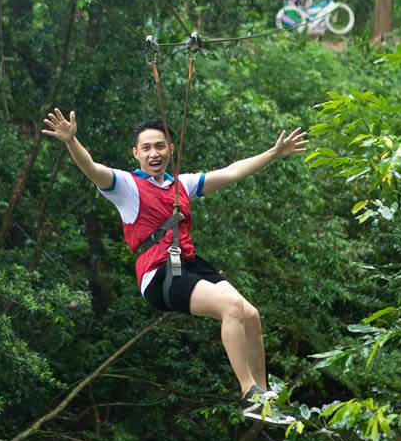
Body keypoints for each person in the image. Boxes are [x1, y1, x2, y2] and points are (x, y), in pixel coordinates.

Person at [41, 107, 308, 415]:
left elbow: (233, 171)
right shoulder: (127, 187)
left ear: (170, 149)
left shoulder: (181, 184)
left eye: (159, 146)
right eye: (146, 148)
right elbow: (92, 168)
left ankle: (264, 397)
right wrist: (71, 141)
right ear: (136, 154)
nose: (153, 154)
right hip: (158, 274)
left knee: (250, 315)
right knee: (232, 308)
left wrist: (273, 153)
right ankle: (249, 391)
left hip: (188, 263)